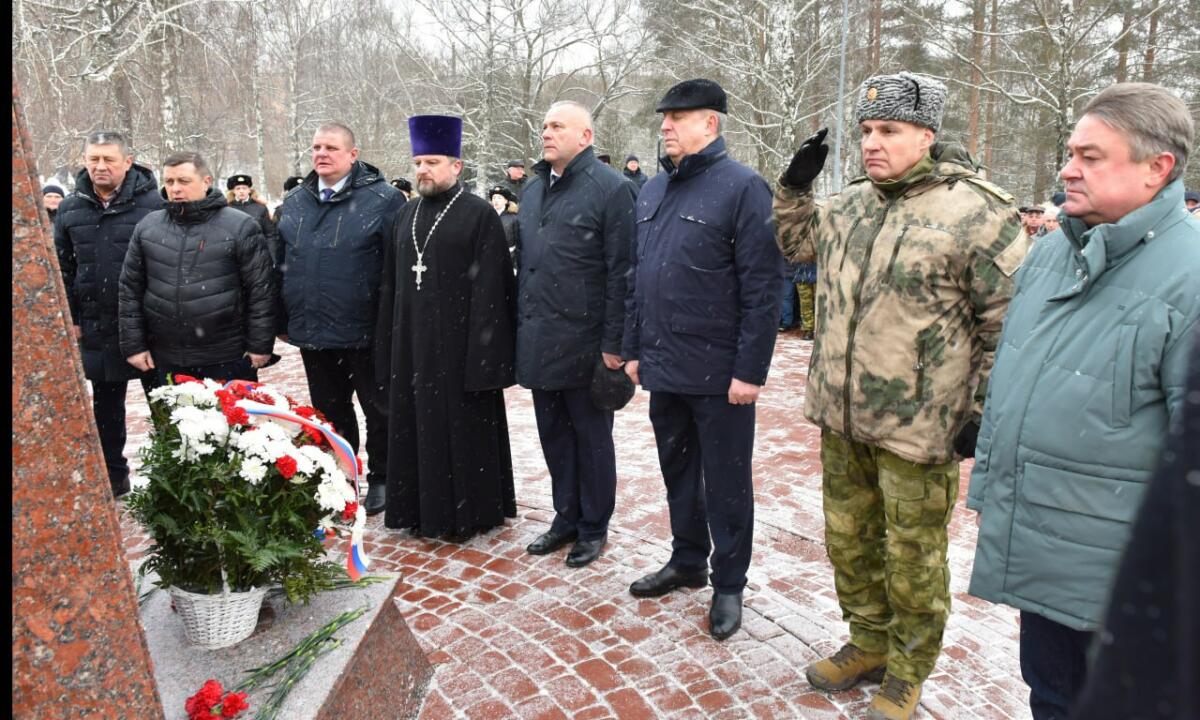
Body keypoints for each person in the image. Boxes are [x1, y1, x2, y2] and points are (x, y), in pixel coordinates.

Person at [774, 72, 1025, 720]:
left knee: (913, 560)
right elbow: (796, 245)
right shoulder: (852, 204)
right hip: (843, 415)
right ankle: (867, 643)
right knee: (850, 543)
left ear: (927, 134)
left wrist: (978, 413)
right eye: (865, 132)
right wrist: (795, 187)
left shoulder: (976, 211)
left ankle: (907, 671)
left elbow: (1008, 323)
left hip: (920, 428)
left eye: (888, 130)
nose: (872, 144)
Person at [967, 81, 1199, 720]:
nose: (1067, 169)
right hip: (1044, 550)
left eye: (1091, 156)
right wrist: (990, 489)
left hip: (1130, 584)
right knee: (1051, 696)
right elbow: (1016, 382)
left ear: (1159, 169)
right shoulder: (1051, 255)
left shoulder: (1191, 280)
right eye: (1070, 152)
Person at [623, 79, 783, 641]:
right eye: (664, 117)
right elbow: (637, 276)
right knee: (679, 473)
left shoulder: (743, 188)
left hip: (721, 375)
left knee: (727, 483)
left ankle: (730, 583)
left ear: (710, 123)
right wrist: (634, 348)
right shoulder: (652, 191)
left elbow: (763, 288)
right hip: (666, 367)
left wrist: (750, 371)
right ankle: (688, 560)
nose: (665, 125)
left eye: (678, 117)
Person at [374, 115, 517, 541]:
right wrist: (387, 346)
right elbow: (391, 285)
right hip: (411, 348)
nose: (423, 170)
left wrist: (486, 359)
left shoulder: (478, 215)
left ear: (456, 166)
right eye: (418, 162)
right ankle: (418, 508)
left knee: (462, 429)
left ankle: (470, 512)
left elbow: (494, 291)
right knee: (414, 428)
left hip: (461, 351)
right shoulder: (405, 215)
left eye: (432, 162)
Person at [515, 101, 635, 568]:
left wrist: (614, 345)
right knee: (554, 437)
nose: (546, 133)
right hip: (542, 338)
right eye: (544, 125)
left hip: (587, 344)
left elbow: (622, 271)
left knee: (591, 440)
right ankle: (565, 517)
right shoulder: (533, 189)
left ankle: (593, 526)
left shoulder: (611, 189)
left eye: (557, 126)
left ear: (585, 137)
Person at [276, 122, 405, 516]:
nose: (321, 154)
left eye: (331, 147)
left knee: (378, 409)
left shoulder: (384, 200)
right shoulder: (296, 202)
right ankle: (342, 476)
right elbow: (280, 264)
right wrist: (283, 319)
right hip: (314, 330)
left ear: (353, 154)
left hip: (366, 331)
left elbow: (394, 266)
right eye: (316, 147)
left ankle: (384, 476)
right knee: (329, 413)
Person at [53, 130, 163, 498]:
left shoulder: (155, 204)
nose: (100, 166)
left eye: (108, 159)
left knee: (166, 407)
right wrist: (71, 316)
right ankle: (114, 479)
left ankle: (172, 480)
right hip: (97, 323)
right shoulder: (71, 207)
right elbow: (62, 268)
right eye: (93, 159)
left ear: (128, 162)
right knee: (107, 411)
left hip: (150, 327)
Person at [119, 152, 276, 385]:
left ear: (206, 182)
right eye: (169, 181)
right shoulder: (148, 227)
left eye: (184, 181)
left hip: (226, 355)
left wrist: (259, 345)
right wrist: (134, 345)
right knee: (173, 421)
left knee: (230, 421)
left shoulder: (240, 226)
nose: (175, 189)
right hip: (166, 356)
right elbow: (129, 289)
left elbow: (261, 290)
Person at [225, 174, 280, 261]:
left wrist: (272, 256)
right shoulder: (226, 209)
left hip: (258, 256)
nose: (241, 191)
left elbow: (270, 234)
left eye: (244, 188)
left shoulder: (260, 208)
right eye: (238, 188)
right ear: (233, 191)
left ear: (249, 190)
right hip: (234, 257)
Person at [488, 185, 519, 271]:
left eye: (499, 198)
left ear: (506, 201)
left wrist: (515, 266)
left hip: (509, 261)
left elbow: (520, 244)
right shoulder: (487, 216)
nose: (496, 200)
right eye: (494, 198)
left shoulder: (514, 218)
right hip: (489, 260)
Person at [794, 260, 817, 340]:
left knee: (820, 304)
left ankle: (820, 328)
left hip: (819, 271)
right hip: (801, 272)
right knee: (805, 303)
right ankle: (808, 329)